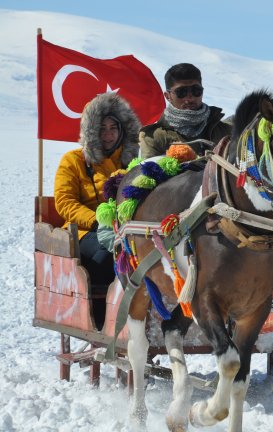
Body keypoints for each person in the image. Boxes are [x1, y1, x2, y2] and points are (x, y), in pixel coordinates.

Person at [54, 93, 141, 302]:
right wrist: (98, 221)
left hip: (125, 227)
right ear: (91, 131)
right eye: (102, 129)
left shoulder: (132, 162)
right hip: (83, 230)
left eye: (113, 128)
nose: (108, 135)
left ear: (122, 130)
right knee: (109, 256)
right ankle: (103, 309)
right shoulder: (73, 160)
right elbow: (65, 202)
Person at [138, 63, 231, 159]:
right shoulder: (154, 137)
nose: (190, 97)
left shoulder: (226, 130)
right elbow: (149, 172)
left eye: (196, 90)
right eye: (181, 92)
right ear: (168, 96)